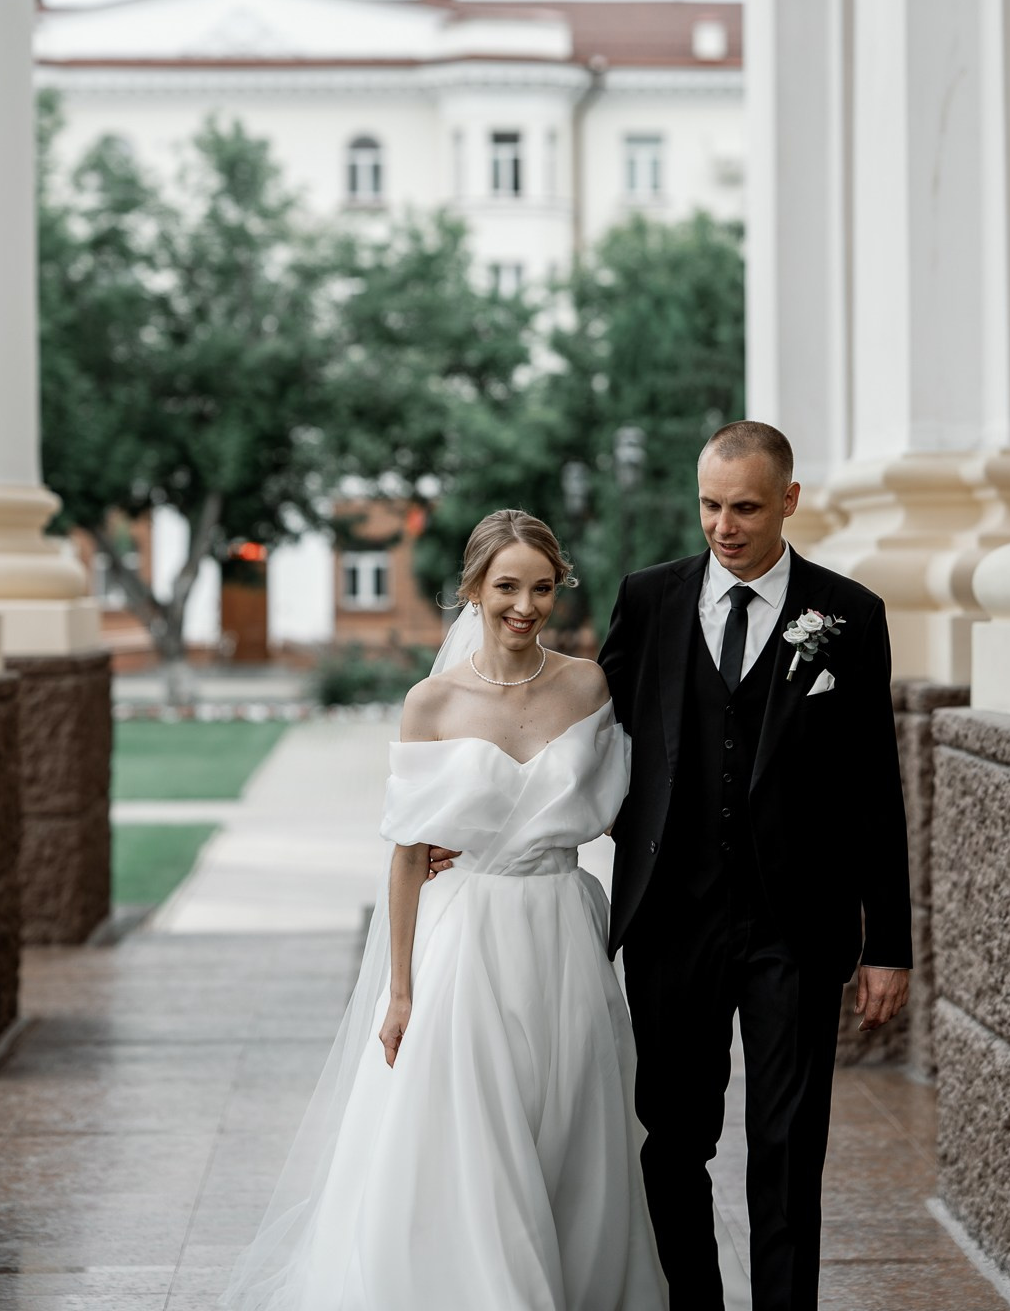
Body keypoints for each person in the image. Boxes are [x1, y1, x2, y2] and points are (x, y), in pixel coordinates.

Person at [221, 508, 667, 1311]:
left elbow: (617, 810)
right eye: (505, 587)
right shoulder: (430, 703)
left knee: (568, 1131)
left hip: (565, 931)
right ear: (472, 590)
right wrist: (400, 990)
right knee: (479, 1139)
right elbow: (404, 854)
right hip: (466, 940)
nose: (524, 606)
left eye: (541, 587)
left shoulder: (589, 685)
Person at [599, 419, 912, 1311]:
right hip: (671, 917)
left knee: (786, 1142)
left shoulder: (848, 615)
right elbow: (583, 733)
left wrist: (887, 941)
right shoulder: (650, 600)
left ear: (789, 500)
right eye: (708, 504)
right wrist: (481, 809)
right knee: (674, 1138)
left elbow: (873, 789)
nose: (723, 525)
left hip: (795, 925)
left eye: (743, 507)